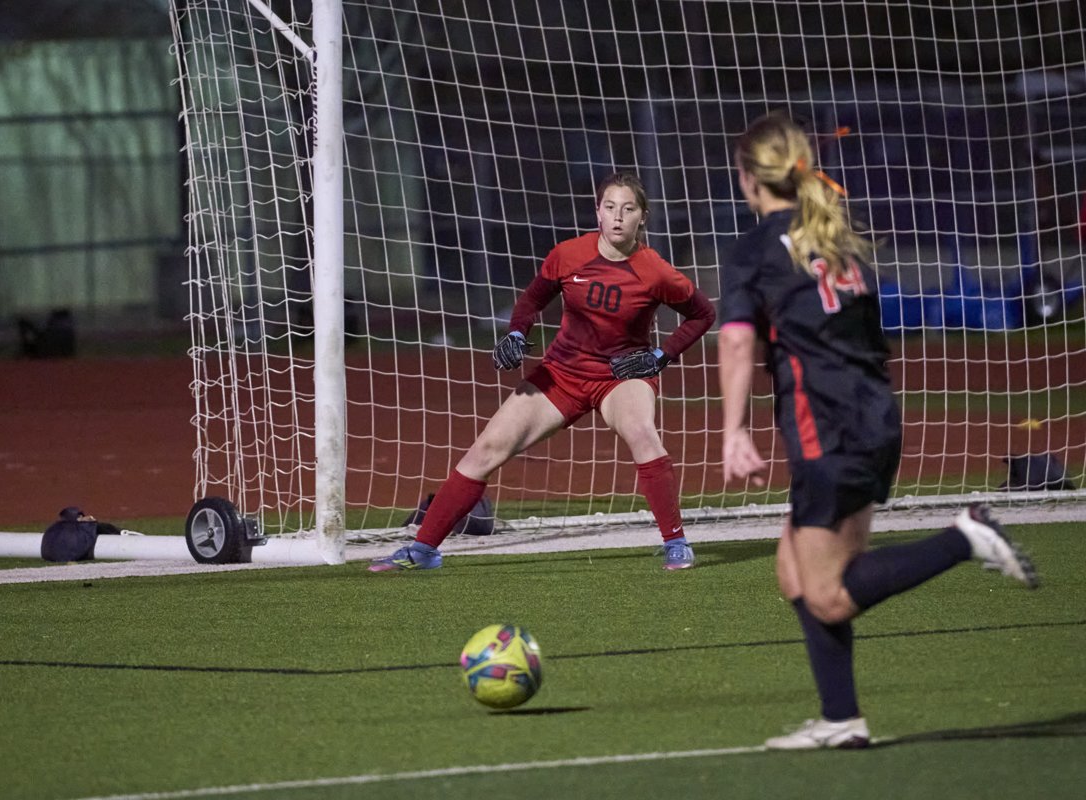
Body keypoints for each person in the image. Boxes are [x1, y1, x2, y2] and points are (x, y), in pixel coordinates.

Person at [717, 111, 1039, 750]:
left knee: (829, 595)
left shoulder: (755, 250)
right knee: (791, 571)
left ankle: (964, 537)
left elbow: (735, 343)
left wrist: (734, 430)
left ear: (751, 178)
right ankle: (842, 719)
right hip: (872, 418)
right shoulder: (832, 237)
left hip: (826, 430)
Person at [370, 171, 716, 572]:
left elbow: (702, 313)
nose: (618, 216)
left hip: (622, 375)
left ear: (643, 217)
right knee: (486, 449)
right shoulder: (568, 254)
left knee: (643, 435)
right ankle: (423, 550)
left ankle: (676, 542)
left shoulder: (654, 270)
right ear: (597, 214)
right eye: (610, 207)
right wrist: (517, 333)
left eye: (628, 209)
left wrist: (661, 356)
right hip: (562, 374)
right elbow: (531, 300)